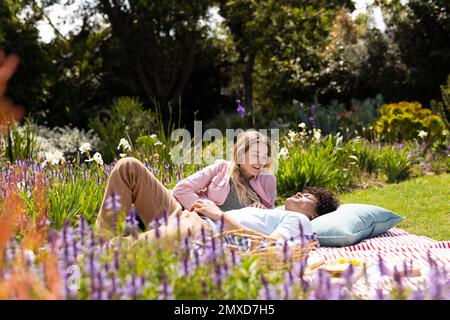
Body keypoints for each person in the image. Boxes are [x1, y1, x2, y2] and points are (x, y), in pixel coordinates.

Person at [95, 130, 277, 239]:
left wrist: (261, 210)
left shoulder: (267, 181)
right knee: (128, 166)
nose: (259, 162)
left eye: (264, 156)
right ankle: (101, 240)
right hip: (181, 212)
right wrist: (204, 207)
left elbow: (272, 221)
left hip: (206, 229)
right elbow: (182, 189)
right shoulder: (222, 168)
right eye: (255, 155)